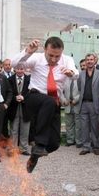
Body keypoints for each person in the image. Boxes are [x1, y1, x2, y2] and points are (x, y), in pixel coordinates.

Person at [11, 37, 78, 173]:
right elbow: (15, 64)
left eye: (57, 56)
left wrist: (70, 73)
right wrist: (28, 52)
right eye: (50, 55)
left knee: (54, 143)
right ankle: (39, 144)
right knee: (48, 101)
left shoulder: (67, 60)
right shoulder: (36, 58)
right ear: (45, 50)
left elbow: (75, 73)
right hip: (34, 98)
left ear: (62, 52)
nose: (54, 59)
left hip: (54, 103)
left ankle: (34, 156)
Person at [77, 53, 99, 155]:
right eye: (87, 59)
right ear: (85, 61)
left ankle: (96, 146)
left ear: (95, 60)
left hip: (95, 103)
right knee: (84, 127)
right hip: (83, 103)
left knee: (95, 127)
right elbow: (79, 88)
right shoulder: (81, 74)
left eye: (91, 59)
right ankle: (86, 147)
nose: (89, 61)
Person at [6, 62, 31, 155]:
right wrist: (14, 98)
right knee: (13, 129)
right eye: (18, 69)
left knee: (25, 129)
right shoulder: (9, 80)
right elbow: (7, 93)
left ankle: (23, 148)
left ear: (24, 69)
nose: (20, 71)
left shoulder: (30, 79)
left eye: (22, 69)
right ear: (14, 69)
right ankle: (12, 149)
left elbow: (32, 92)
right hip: (13, 107)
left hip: (26, 107)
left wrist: (24, 97)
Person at [61, 59, 84, 147]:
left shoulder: (78, 78)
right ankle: (70, 141)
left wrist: (76, 100)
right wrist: (63, 100)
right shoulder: (64, 79)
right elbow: (60, 91)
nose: (69, 72)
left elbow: (82, 91)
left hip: (76, 104)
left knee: (78, 125)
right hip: (67, 104)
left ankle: (78, 141)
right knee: (69, 124)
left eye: (71, 70)